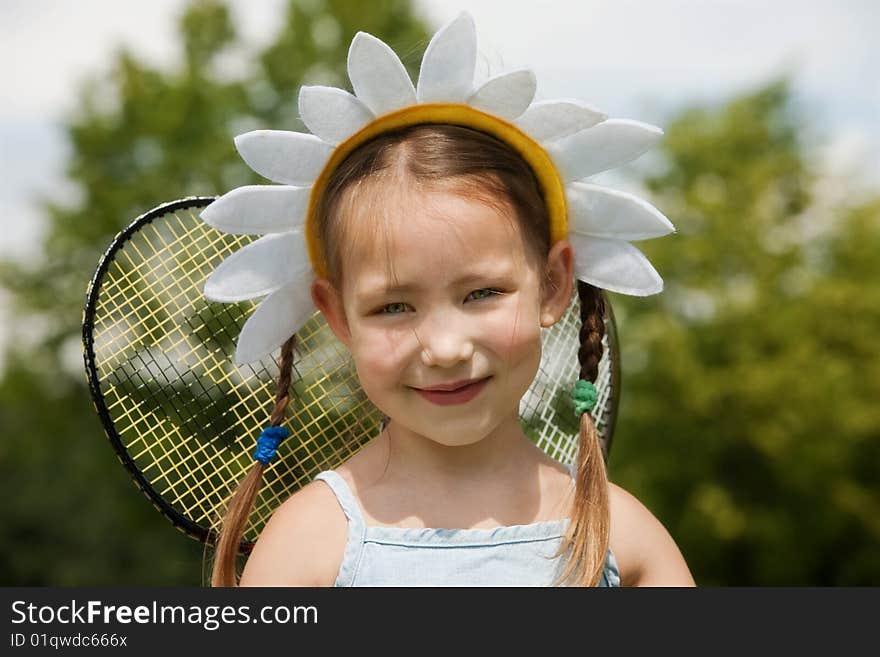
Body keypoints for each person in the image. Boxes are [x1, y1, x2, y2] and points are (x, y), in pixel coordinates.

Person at [203, 13, 695, 587]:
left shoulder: (622, 539)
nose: (443, 347)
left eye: (482, 293)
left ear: (554, 284)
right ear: (336, 315)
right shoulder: (310, 547)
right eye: (393, 307)